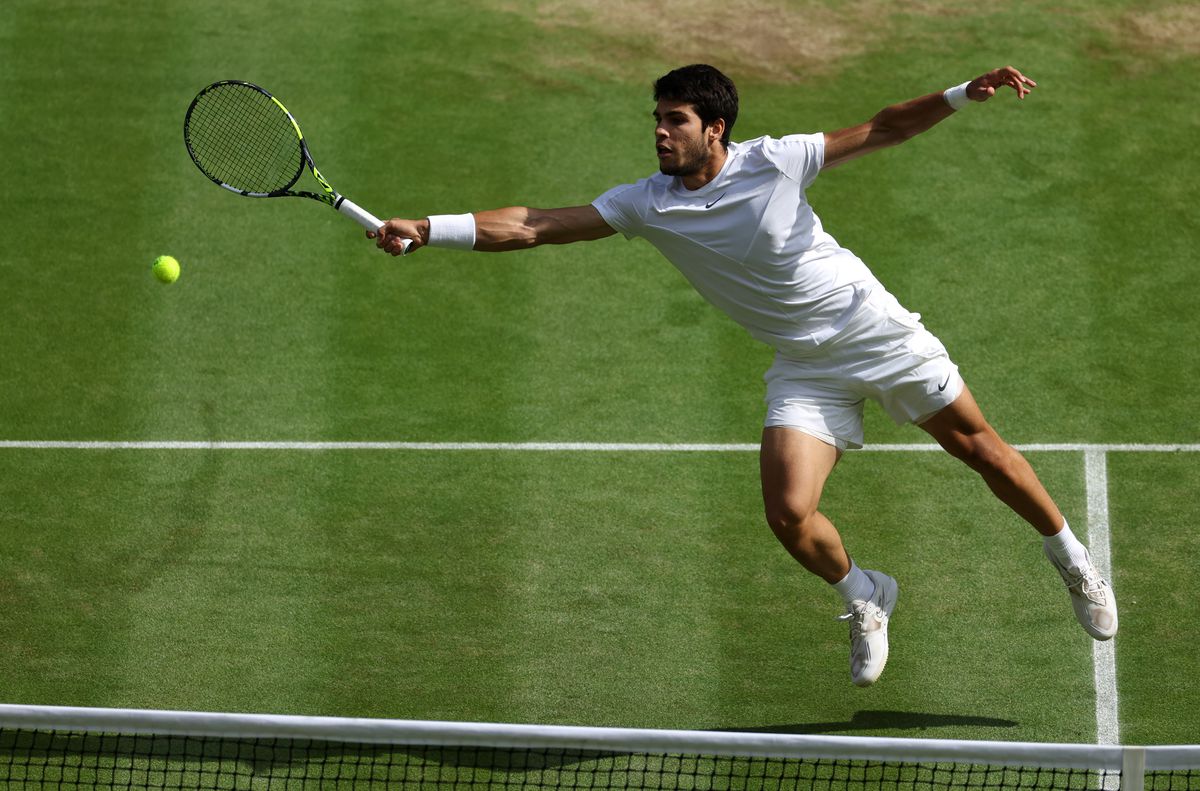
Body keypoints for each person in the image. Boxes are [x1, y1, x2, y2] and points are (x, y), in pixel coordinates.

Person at [370, 64, 1118, 687]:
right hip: (804, 365)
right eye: (657, 119)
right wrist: (432, 229)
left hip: (875, 334)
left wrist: (960, 94)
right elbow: (538, 223)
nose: (660, 132)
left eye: (675, 119)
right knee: (789, 514)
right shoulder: (648, 202)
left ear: (714, 129)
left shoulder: (777, 159)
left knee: (981, 449)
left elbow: (883, 127)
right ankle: (866, 593)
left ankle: (1074, 560)